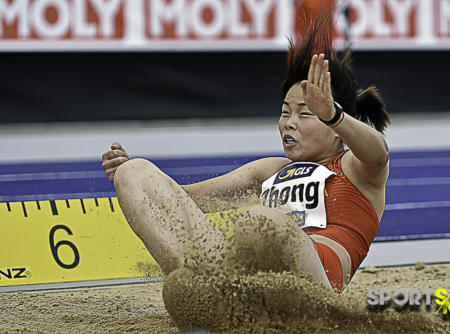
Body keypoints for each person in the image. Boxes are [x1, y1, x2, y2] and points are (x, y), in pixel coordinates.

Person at [101, 13, 390, 293]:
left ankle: (237, 295)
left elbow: (378, 152)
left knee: (259, 223)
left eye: (305, 114)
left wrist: (333, 115)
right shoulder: (271, 171)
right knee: (135, 173)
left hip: (312, 286)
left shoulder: (356, 168)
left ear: (336, 127)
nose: (288, 122)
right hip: (245, 281)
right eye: (284, 112)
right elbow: (185, 201)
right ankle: (192, 287)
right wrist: (131, 179)